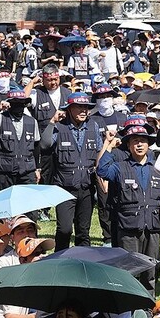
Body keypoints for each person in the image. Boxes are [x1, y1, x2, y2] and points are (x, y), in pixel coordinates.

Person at [96, 116, 160, 295]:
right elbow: (101, 170)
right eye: (134, 141)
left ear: (148, 145)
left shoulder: (156, 168)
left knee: (150, 269)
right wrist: (109, 145)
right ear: (128, 146)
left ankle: (148, 306)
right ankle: (128, 307)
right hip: (128, 227)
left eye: (143, 141)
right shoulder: (119, 167)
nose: (139, 145)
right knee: (127, 270)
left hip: (151, 226)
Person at [42, 92, 102, 251]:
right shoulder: (59, 127)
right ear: (68, 109)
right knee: (64, 229)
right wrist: (51, 122)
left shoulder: (93, 126)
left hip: (87, 187)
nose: (83, 111)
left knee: (83, 231)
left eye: (86, 108)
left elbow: (99, 152)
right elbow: (45, 145)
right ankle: (60, 261)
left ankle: (83, 264)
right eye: (79, 107)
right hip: (64, 188)